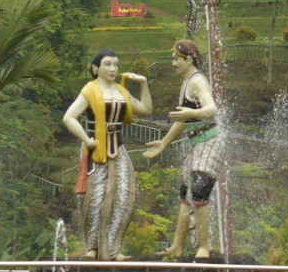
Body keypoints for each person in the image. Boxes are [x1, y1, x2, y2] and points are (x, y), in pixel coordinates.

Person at [63, 49, 152, 260]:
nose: (113, 69)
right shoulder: (89, 91)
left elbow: (146, 109)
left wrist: (144, 84)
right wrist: (87, 140)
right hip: (95, 148)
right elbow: (69, 118)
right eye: (107, 64)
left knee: (125, 195)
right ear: (96, 68)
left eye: (115, 64)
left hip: (118, 148)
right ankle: (92, 248)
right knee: (93, 197)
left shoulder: (121, 91)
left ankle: (114, 248)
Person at [143, 40, 224, 259]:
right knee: (185, 193)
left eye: (176, 59)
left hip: (210, 141)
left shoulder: (197, 81)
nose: (173, 63)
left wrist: (191, 115)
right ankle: (177, 246)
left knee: (199, 187)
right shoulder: (187, 81)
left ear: (189, 59)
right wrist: (164, 142)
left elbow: (211, 109)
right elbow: (183, 119)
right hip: (197, 143)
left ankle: (204, 247)